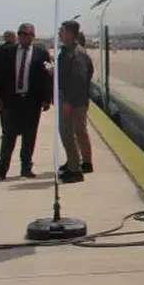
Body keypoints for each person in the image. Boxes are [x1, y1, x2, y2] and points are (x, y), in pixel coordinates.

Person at [0, 23, 52, 180]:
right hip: (11, 100)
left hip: (31, 101)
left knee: (29, 135)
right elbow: (0, 77)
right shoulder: (7, 52)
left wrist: (46, 99)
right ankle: (2, 168)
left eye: (27, 34)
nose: (23, 37)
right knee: (8, 134)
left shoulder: (41, 53)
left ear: (33, 36)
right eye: (21, 34)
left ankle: (26, 167)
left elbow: (46, 78)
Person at [55, 20, 93, 183]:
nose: (59, 34)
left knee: (69, 133)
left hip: (74, 102)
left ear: (70, 34)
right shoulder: (67, 51)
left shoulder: (76, 54)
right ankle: (73, 163)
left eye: (62, 31)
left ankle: (75, 170)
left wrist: (68, 101)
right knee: (68, 133)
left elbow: (79, 79)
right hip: (71, 99)